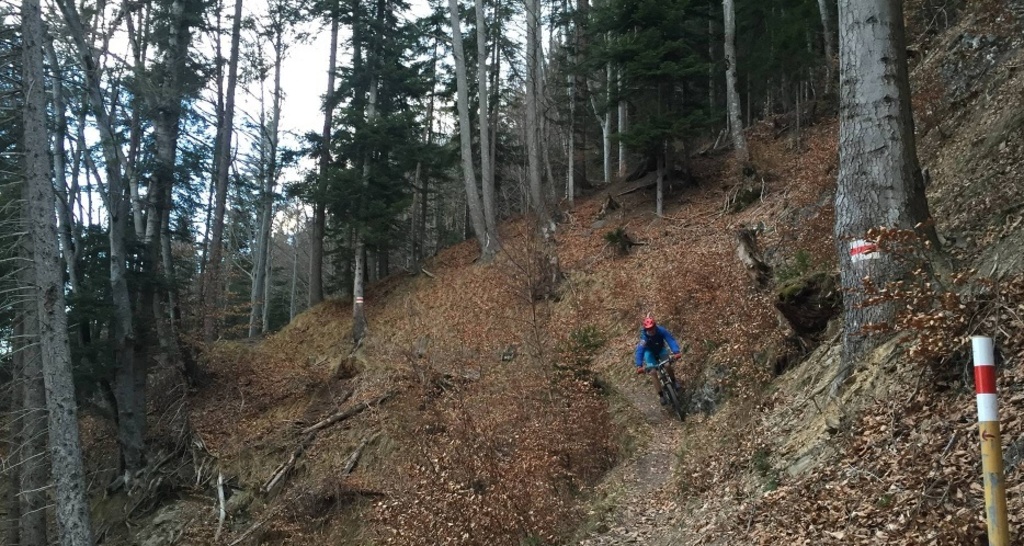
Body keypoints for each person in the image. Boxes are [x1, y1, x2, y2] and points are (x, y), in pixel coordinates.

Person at [634, 316, 682, 405]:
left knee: (667, 364)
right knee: (652, 372)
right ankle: (661, 395)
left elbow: (670, 340)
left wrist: (676, 352)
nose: (651, 330)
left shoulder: (661, 330)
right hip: (649, 353)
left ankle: (674, 381)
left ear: (655, 326)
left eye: (652, 328)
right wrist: (639, 365)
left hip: (660, 349)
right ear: (646, 329)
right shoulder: (644, 338)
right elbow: (640, 351)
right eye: (648, 329)